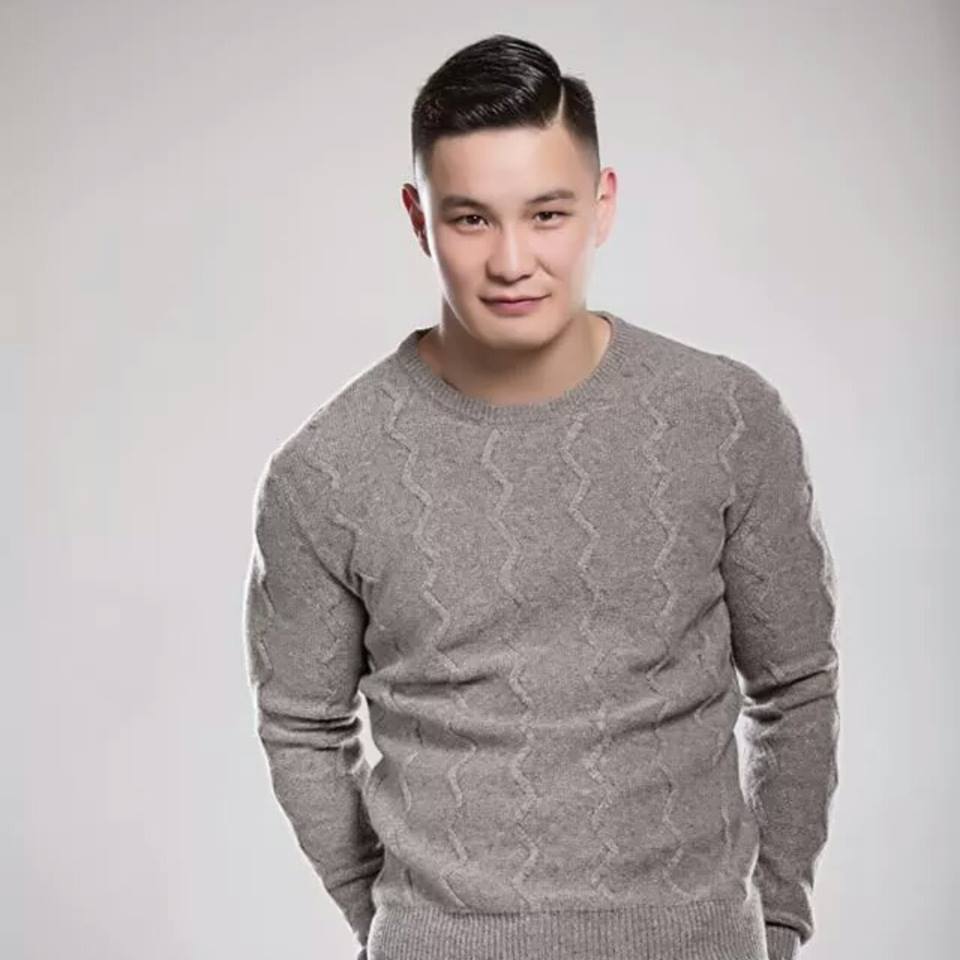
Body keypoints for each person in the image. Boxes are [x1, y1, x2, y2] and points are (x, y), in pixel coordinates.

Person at [242, 33, 839, 960]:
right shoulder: (325, 472)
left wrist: (781, 917)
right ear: (419, 219)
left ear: (603, 205)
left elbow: (795, 687)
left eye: (547, 213)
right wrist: (399, 921)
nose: (514, 260)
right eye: (472, 219)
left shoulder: (726, 419)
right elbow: (299, 725)